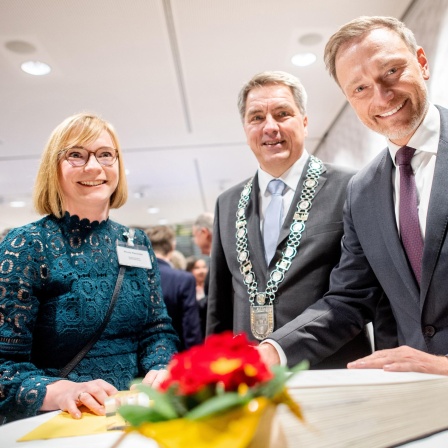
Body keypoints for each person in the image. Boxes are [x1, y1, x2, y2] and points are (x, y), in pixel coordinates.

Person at [258, 16, 448, 375]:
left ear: (421, 63)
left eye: (391, 71)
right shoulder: (362, 191)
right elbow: (349, 298)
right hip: (413, 399)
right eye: (359, 89)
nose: (381, 96)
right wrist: (268, 354)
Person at [0, 113, 178, 422]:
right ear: (53, 168)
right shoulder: (26, 245)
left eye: (105, 154)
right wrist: (62, 390)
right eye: (76, 155)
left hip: (137, 416)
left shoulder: (135, 241)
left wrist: (161, 368)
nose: (94, 167)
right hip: (65, 420)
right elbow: (4, 365)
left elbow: (156, 330)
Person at [206, 71, 378, 369]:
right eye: (256, 117)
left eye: (282, 114)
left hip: (329, 371)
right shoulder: (227, 202)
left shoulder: (350, 186)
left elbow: (361, 292)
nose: (270, 127)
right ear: (246, 128)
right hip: (247, 379)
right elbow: (219, 303)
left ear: (305, 121)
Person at [146, 225, 203, 350]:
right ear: (172, 247)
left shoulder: (136, 277)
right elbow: (190, 327)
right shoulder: (183, 279)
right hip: (176, 354)